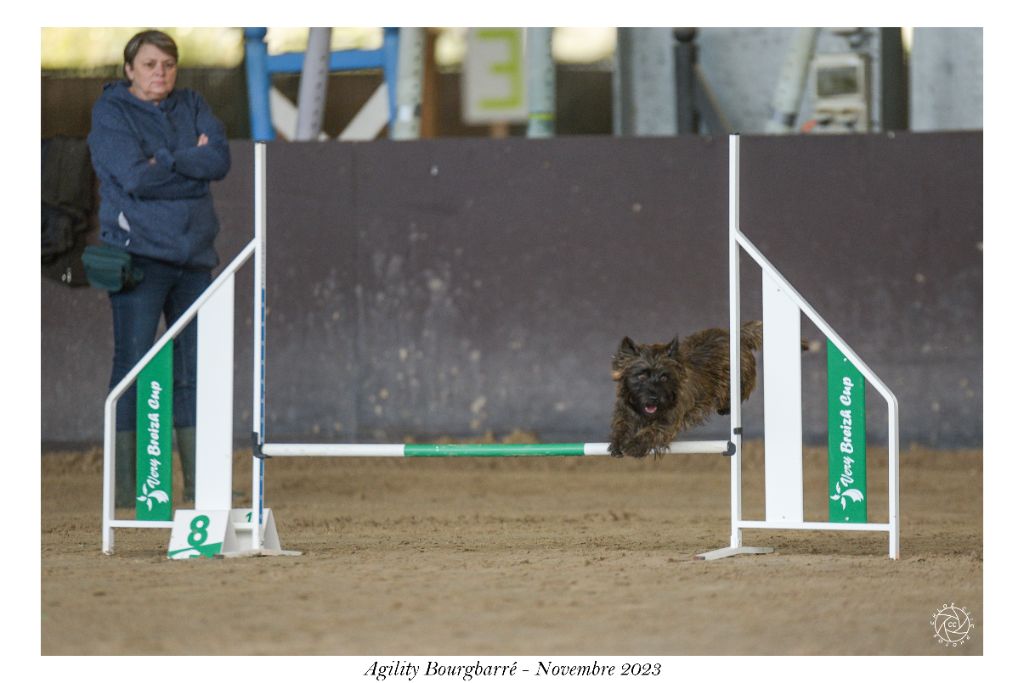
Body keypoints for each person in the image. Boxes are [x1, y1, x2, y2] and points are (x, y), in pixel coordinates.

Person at [88, 30, 231, 507]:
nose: (159, 73)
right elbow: (133, 177)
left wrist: (166, 160)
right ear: (129, 69)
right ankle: (128, 489)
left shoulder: (191, 102)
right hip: (139, 258)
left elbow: (219, 160)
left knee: (194, 370)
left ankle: (201, 483)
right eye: (149, 64)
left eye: (167, 64)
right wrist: (189, 166)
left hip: (194, 259)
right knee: (132, 364)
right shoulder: (111, 112)